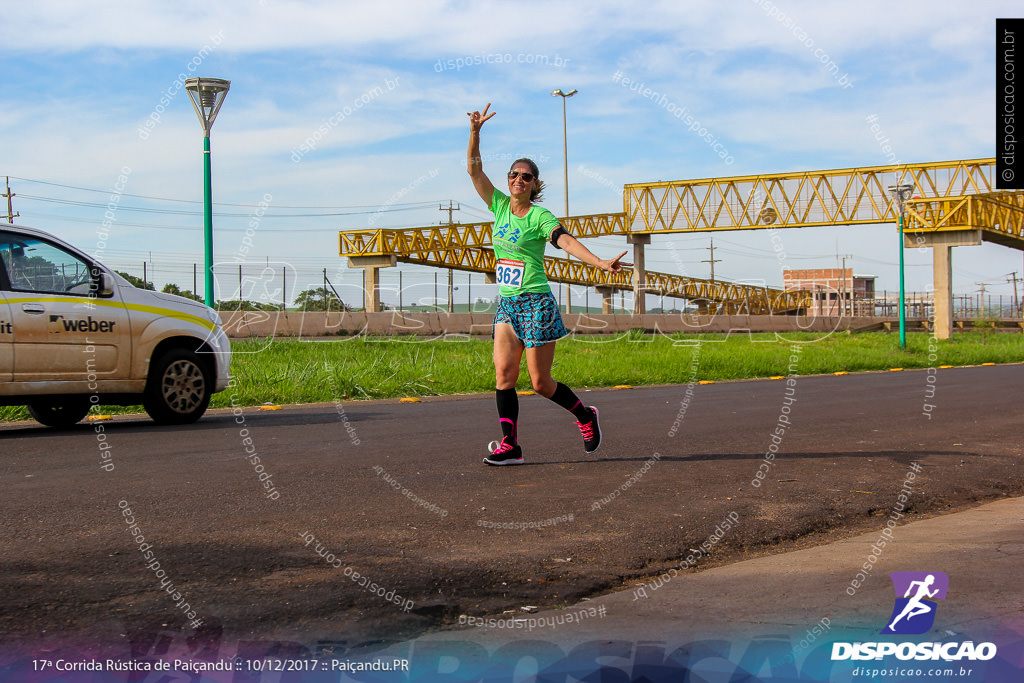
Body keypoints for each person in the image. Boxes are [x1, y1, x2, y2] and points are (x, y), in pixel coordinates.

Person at [467, 103, 629, 466]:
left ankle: (586, 416)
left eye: (526, 177)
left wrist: (600, 262)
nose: (518, 180)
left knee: (540, 382)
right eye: (514, 174)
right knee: (504, 375)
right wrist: (475, 132)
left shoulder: (540, 216)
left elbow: (565, 241)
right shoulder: (499, 205)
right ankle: (511, 445)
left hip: (536, 302)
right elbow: (474, 170)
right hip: (508, 304)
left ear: (535, 184)